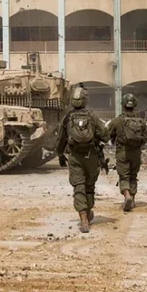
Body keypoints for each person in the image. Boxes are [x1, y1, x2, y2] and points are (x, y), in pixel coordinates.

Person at [56, 86, 109, 233]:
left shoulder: (67, 118)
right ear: (86, 100)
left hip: (75, 157)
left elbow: (61, 139)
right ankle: (88, 209)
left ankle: (84, 218)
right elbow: (105, 135)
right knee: (89, 186)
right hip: (91, 156)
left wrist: (60, 155)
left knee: (78, 186)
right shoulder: (93, 116)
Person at [107, 93, 147, 212]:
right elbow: (144, 139)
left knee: (124, 176)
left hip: (122, 152)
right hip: (136, 153)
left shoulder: (117, 121)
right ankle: (133, 199)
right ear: (134, 105)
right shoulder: (141, 122)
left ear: (123, 105)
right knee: (133, 176)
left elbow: (107, 135)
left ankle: (127, 195)